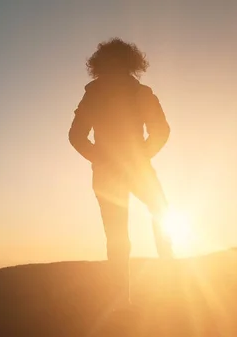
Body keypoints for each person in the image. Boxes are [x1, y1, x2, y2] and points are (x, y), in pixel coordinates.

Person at [68, 38, 173, 307]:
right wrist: (125, 159)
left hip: (122, 170)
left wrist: (109, 160)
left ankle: (154, 290)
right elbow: (76, 135)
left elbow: (76, 136)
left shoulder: (126, 93)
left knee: (139, 224)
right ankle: (151, 292)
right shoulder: (112, 94)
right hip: (127, 170)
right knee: (148, 220)